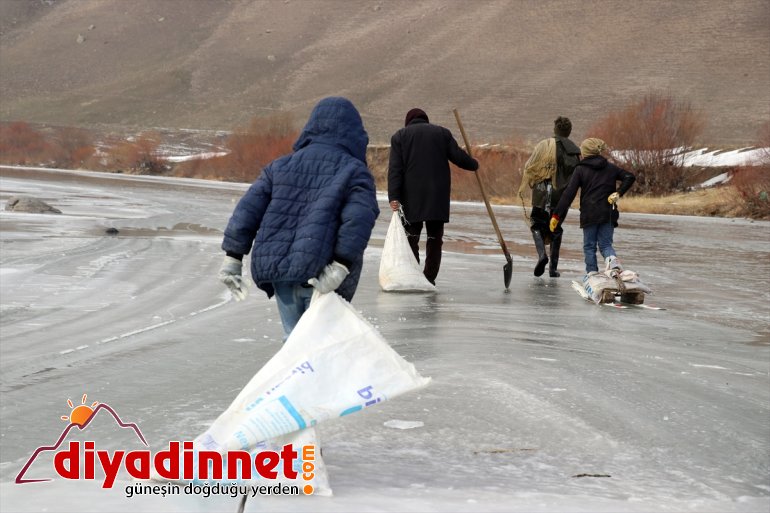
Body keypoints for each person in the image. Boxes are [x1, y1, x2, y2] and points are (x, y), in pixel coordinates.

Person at [218, 96, 380, 336]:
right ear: (355, 133)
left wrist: (233, 257)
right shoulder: (354, 171)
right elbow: (358, 220)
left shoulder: (280, 166)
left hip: (281, 272)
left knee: (294, 342)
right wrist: (341, 264)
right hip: (324, 275)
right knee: (319, 345)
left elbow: (248, 210)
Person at [387, 108, 478, 285]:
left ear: (409, 121)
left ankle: (414, 275)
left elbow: (395, 171)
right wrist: (473, 164)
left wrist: (394, 197)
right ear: (425, 120)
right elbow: (458, 157)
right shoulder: (442, 133)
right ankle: (429, 277)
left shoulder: (400, 137)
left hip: (410, 197)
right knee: (434, 239)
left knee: (411, 237)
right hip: (437, 196)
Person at [550, 137, 636, 275]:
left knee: (589, 246)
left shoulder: (580, 170)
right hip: (608, 213)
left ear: (585, 153)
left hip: (589, 214)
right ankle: (612, 262)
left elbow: (569, 194)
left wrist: (556, 215)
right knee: (605, 245)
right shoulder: (610, 167)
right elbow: (629, 177)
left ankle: (592, 274)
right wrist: (619, 193)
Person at [519, 116, 581, 277]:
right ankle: (553, 269)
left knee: (537, 225)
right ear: (569, 132)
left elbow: (530, 166)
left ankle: (542, 255)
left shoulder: (545, 145)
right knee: (556, 228)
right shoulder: (575, 152)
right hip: (562, 197)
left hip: (542, 194)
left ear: (555, 130)